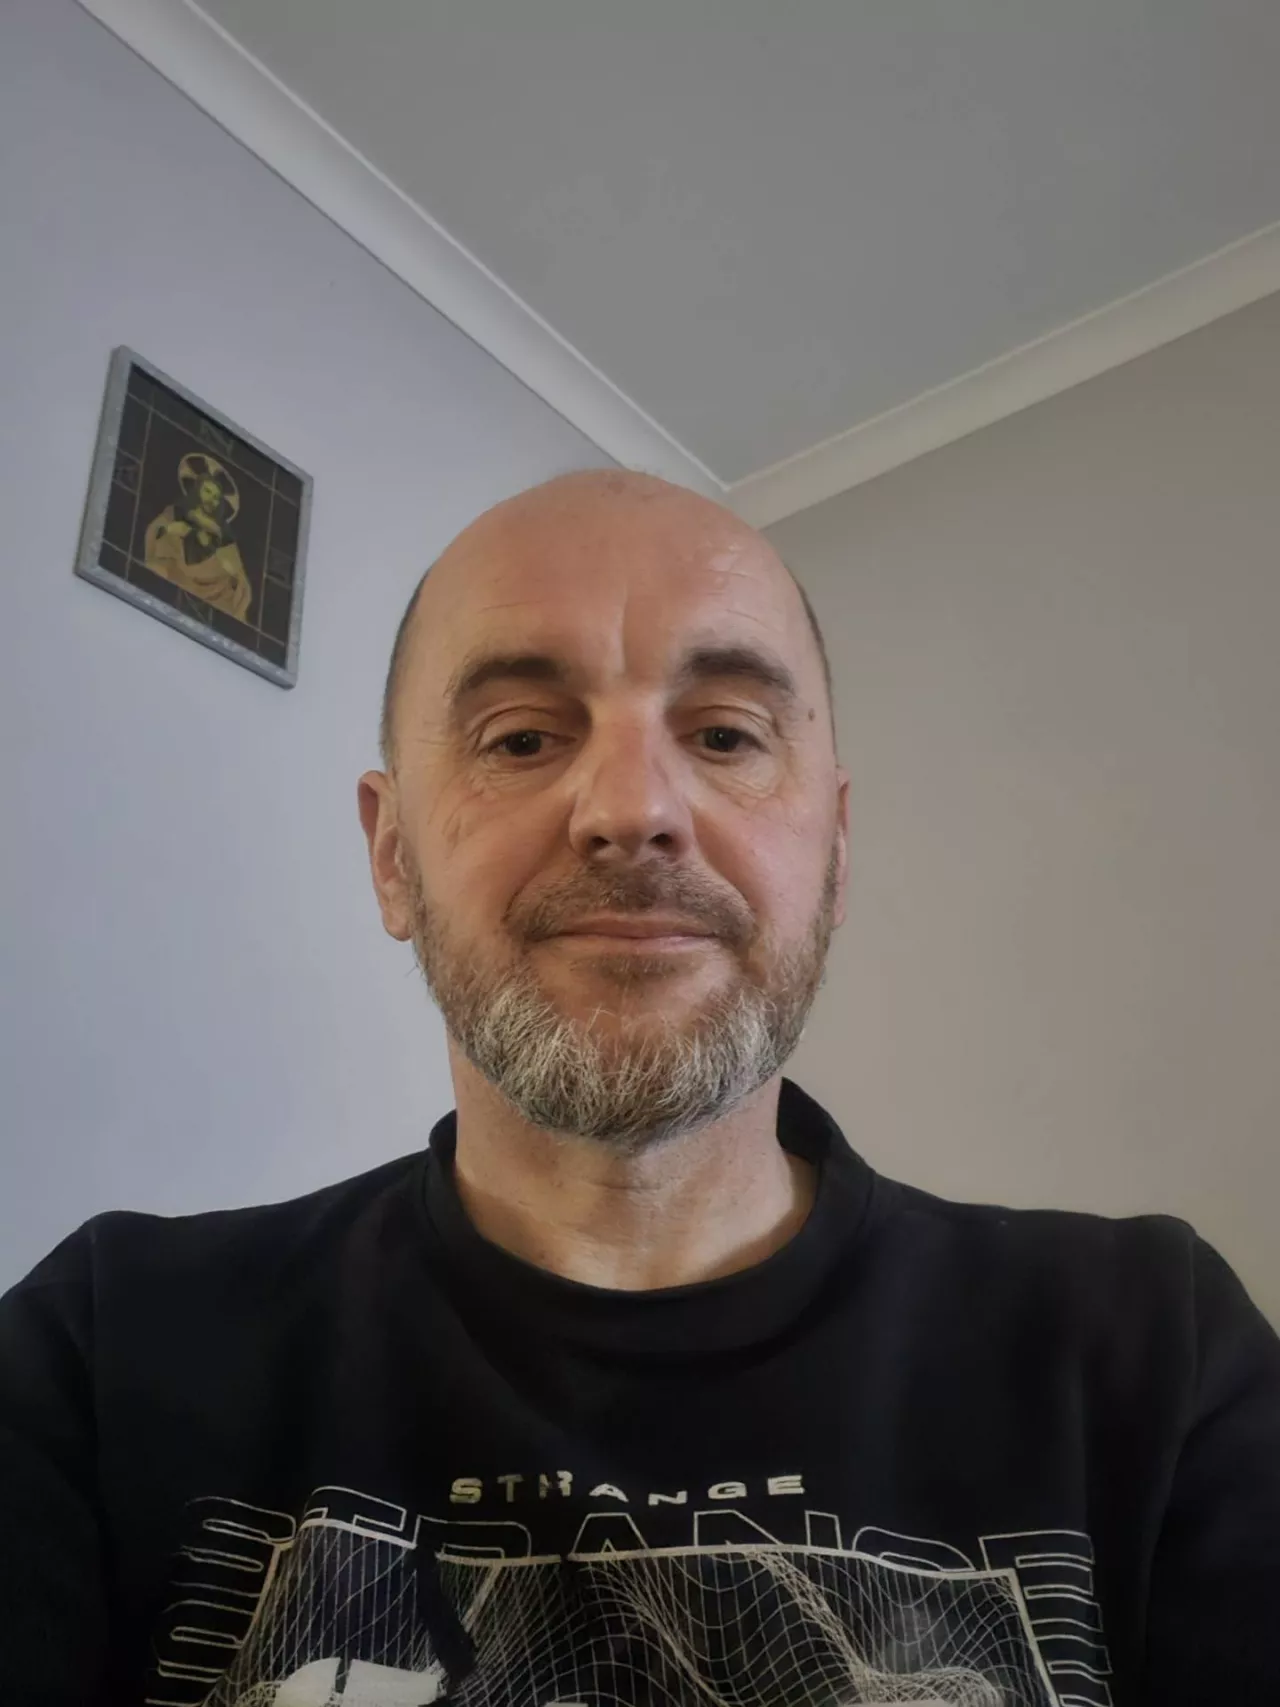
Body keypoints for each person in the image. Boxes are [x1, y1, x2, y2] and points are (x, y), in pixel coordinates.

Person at [2, 470, 1278, 1706]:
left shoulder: (1152, 1354)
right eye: (521, 738)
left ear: (834, 854)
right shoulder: (103, 1351)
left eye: (724, 735)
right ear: (391, 856)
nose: (631, 808)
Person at [144, 452, 253, 620]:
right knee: (154, 570)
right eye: (207, 491)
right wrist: (171, 530)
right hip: (175, 573)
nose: (211, 500)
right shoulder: (176, 513)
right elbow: (156, 531)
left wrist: (226, 565)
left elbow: (238, 577)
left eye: (216, 497)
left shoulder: (224, 535)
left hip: (216, 590)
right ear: (197, 490)